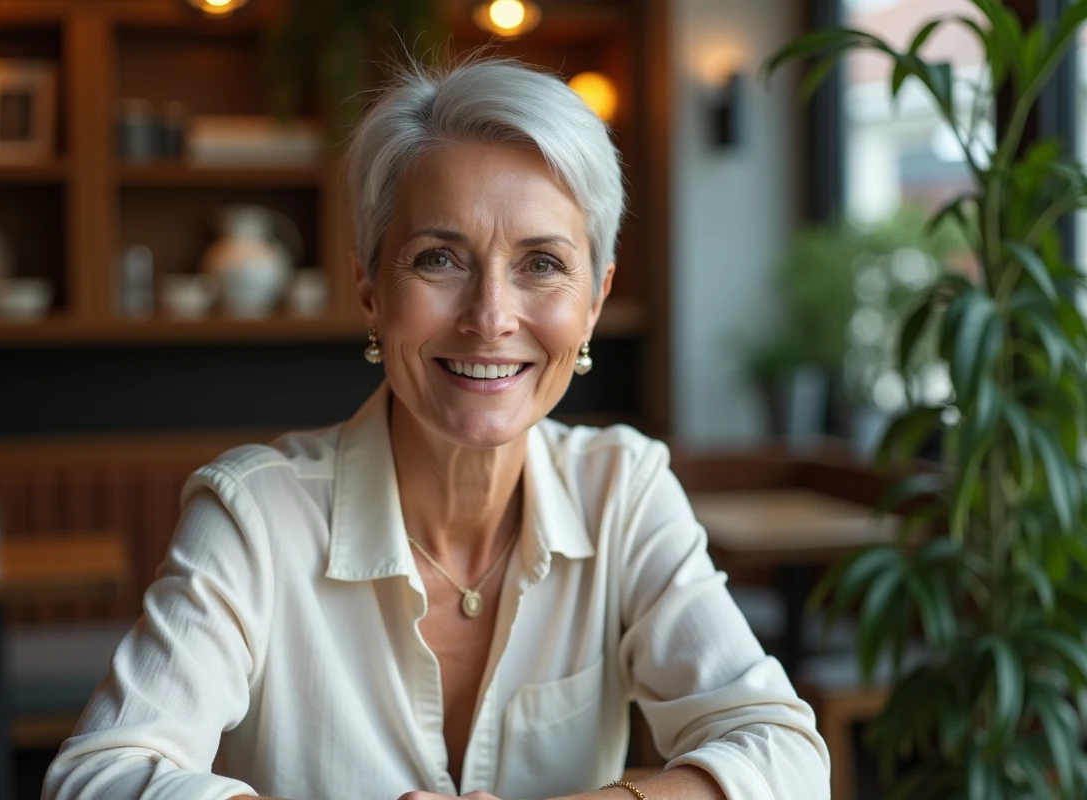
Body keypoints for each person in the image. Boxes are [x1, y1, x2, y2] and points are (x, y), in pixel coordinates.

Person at [42, 57, 829, 800]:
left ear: (594, 301)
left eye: (543, 264)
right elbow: (101, 778)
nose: (491, 317)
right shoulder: (255, 515)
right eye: (439, 259)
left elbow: (785, 754)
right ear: (369, 286)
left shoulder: (623, 489)